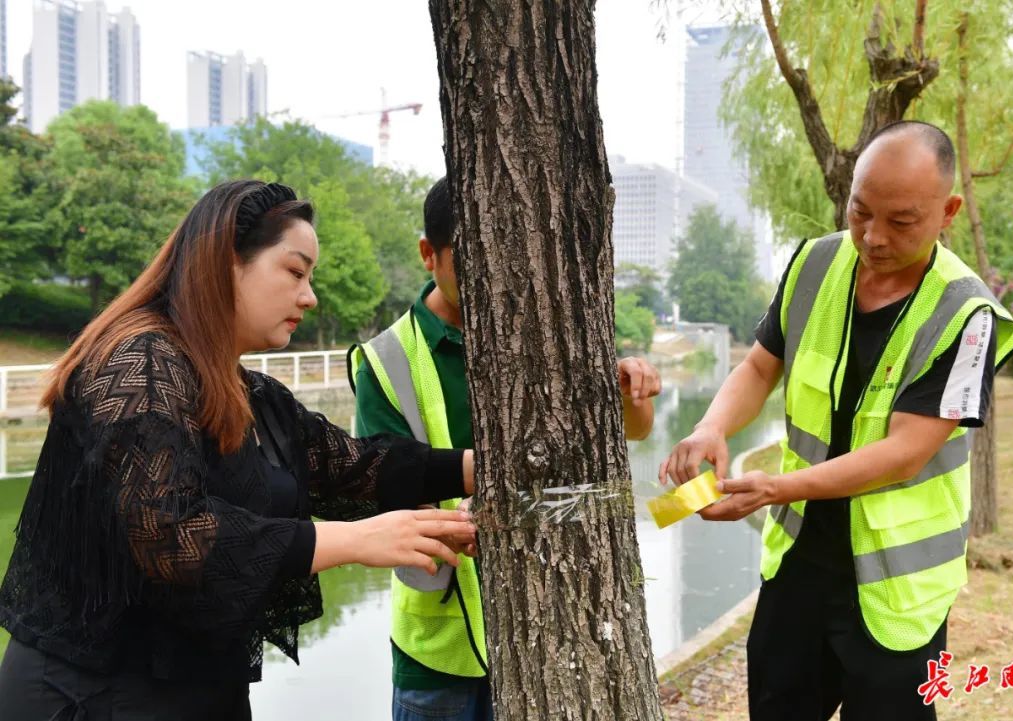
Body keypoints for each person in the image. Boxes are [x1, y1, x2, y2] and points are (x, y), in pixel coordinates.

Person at [0, 180, 479, 721]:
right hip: (91, 694)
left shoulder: (244, 391)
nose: (310, 295)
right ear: (225, 261)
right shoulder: (142, 361)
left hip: (197, 686)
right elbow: (173, 536)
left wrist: (476, 470)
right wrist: (358, 539)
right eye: (296, 272)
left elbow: (354, 468)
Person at [658, 121, 1013, 721]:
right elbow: (757, 367)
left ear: (948, 210)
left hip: (898, 584)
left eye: (901, 221)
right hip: (801, 558)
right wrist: (712, 427)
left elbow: (906, 450)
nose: (873, 237)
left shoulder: (968, 314)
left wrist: (774, 486)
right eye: (860, 211)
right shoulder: (815, 263)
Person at [349, 176, 662, 721]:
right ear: (429, 254)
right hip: (437, 652)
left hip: (548, 633)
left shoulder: (544, 330)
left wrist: (631, 388)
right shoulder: (387, 359)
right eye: (469, 262)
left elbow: (632, 432)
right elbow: (381, 487)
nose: (490, 278)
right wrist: (450, 522)